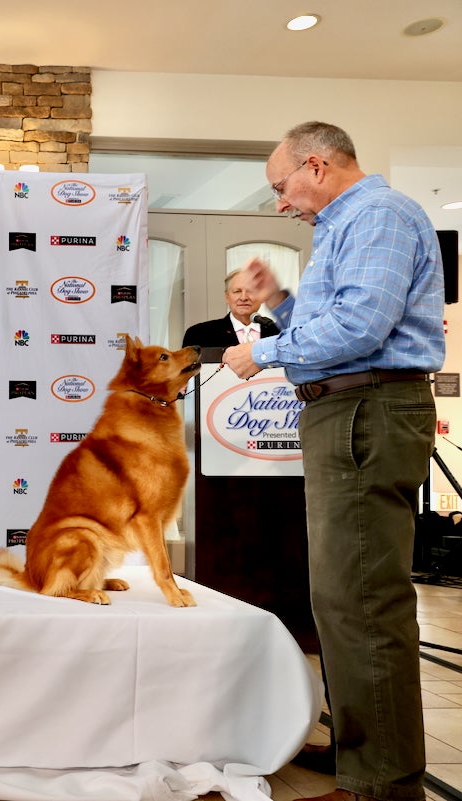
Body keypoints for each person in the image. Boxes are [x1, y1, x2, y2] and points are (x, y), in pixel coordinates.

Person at [223, 121, 444, 801]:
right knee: (343, 600)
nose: (282, 203)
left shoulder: (376, 215)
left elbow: (359, 329)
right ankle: (361, 755)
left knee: (363, 604)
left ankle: (380, 785)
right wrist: (282, 302)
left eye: (281, 185)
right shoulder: (345, 225)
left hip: (365, 411)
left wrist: (258, 351)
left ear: (316, 165)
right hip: (346, 409)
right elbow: (336, 324)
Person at [181, 267, 280, 348]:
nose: (244, 297)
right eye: (237, 291)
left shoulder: (279, 333)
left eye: (251, 291)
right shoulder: (199, 334)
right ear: (227, 297)